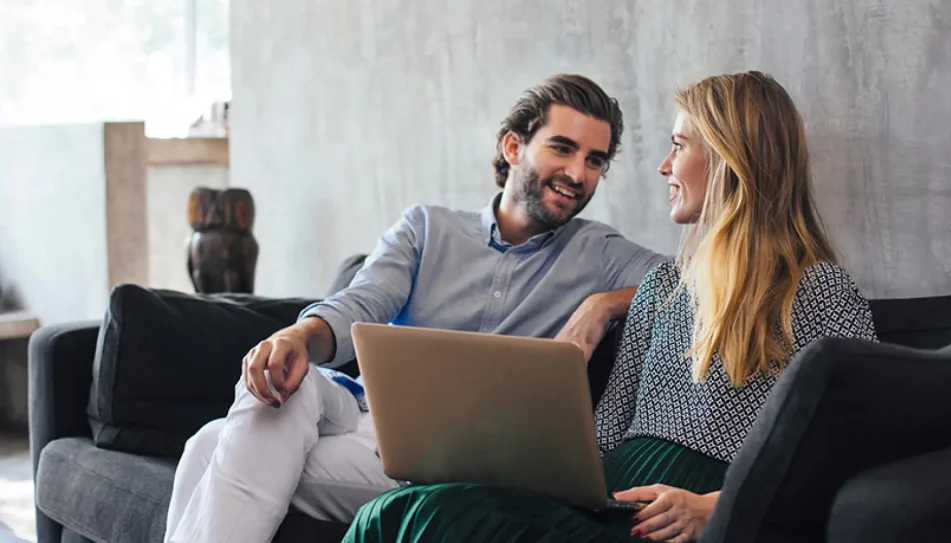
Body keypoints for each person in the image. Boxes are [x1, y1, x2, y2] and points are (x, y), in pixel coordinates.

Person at [341, 71, 880, 543]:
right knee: (393, 512)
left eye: (679, 145)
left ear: (728, 157)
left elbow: (847, 453)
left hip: (688, 511)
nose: (665, 165)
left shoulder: (821, 291)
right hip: (608, 498)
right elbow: (602, 438)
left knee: (423, 521)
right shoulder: (662, 287)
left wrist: (714, 506)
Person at [162, 74, 670, 543]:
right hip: (362, 416)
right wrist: (297, 337)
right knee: (279, 386)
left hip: (459, 459)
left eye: (595, 160)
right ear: (513, 146)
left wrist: (606, 303)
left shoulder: (600, 253)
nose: (578, 173)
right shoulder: (427, 229)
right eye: (563, 148)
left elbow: (705, 282)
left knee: (210, 446)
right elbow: (360, 303)